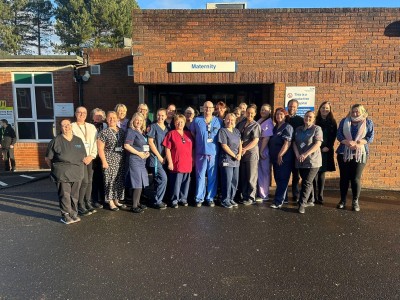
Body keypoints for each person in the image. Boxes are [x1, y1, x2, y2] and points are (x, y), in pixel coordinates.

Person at [45, 119, 86, 224]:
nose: (66, 127)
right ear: (61, 128)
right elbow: (48, 159)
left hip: (77, 173)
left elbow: (83, 156)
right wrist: (56, 169)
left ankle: (73, 213)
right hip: (62, 173)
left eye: (68, 125)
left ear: (71, 126)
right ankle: (66, 215)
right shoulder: (55, 141)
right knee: (65, 195)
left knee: (74, 195)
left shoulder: (78, 140)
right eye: (64, 125)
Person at [336, 104, 374, 211]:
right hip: (344, 152)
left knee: (355, 178)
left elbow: (370, 137)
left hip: (360, 153)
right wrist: (348, 143)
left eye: (357, 111)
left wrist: (358, 143)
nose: (355, 114)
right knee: (344, 178)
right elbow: (339, 135)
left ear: (362, 112)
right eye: (353, 112)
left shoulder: (368, 122)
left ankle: (355, 201)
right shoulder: (344, 121)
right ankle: (342, 200)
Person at [190, 101, 222, 207]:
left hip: (213, 153)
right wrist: (200, 141)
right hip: (200, 153)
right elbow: (192, 133)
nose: (207, 109)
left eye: (210, 107)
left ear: (213, 109)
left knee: (212, 176)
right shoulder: (197, 120)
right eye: (205, 107)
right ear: (203, 108)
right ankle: (199, 198)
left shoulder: (218, 121)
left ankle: (210, 198)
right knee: (200, 176)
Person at [293, 111, 323, 214]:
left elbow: (317, 144)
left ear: (314, 119)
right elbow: (294, 143)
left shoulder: (317, 129)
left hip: (312, 161)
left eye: (310, 117)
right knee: (305, 180)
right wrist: (297, 155)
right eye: (306, 116)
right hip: (300, 160)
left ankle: (302, 204)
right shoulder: (298, 129)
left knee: (306, 182)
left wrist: (305, 154)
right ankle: (311, 199)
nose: (308, 118)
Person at [71, 106, 98, 216]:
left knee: (90, 181)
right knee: (84, 181)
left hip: (90, 158)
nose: (82, 114)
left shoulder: (91, 127)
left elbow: (96, 142)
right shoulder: (72, 126)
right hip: (79, 159)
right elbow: (71, 144)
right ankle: (80, 204)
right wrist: (81, 157)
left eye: (84, 113)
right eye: (79, 112)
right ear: (75, 113)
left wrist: (91, 156)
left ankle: (88, 202)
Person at [97, 111, 126, 211]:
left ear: (118, 119)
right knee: (110, 181)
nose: (112, 119)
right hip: (109, 160)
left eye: (114, 117)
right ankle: (110, 202)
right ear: (107, 119)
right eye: (110, 118)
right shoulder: (103, 133)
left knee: (119, 180)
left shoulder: (121, 131)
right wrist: (104, 162)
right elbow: (100, 149)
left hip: (120, 159)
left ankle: (117, 199)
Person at [163, 114, 194, 208]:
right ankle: (174, 200)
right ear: (174, 123)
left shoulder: (188, 134)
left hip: (187, 163)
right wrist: (170, 162)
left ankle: (183, 199)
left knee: (186, 182)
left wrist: (193, 160)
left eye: (182, 122)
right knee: (176, 183)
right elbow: (167, 149)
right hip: (176, 163)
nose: (180, 123)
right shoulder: (171, 133)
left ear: (184, 123)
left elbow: (192, 148)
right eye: (178, 122)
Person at [124, 112, 150, 213]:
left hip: (142, 160)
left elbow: (143, 145)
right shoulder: (131, 131)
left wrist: (146, 153)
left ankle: (138, 203)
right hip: (134, 160)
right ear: (133, 121)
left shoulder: (141, 132)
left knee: (141, 181)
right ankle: (134, 206)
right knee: (137, 182)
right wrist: (139, 153)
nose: (138, 122)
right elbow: (127, 145)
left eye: (140, 120)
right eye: (136, 120)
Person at [269, 108, 294, 209]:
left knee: (283, 179)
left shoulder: (287, 127)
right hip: (275, 158)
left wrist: (280, 155)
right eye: (277, 114)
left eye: (281, 114)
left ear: (285, 116)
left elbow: (287, 143)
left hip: (284, 158)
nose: (278, 116)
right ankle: (285, 198)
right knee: (278, 178)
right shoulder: (275, 128)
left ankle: (278, 201)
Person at [236, 104, 261, 205]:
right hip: (242, 154)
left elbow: (255, 141)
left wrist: (245, 148)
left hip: (251, 154)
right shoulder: (241, 123)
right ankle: (244, 196)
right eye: (248, 112)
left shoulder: (256, 125)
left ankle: (251, 197)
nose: (249, 114)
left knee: (251, 176)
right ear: (245, 113)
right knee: (244, 176)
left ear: (254, 114)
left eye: (252, 113)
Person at [313, 101, 337, 204]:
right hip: (316, 149)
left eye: (327, 108)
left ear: (330, 110)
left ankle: (320, 195)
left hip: (326, 150)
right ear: (320, 109)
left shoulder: (332, 121)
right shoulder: (315, 120)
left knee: (322, 173)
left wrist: (328, 146)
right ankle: (313, 195)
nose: (325, 110)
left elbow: (333, 136)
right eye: (323, 108)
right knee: (314, 173)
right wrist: (317, 147)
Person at [218, 113, 242, 208]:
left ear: (235, 121)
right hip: (226, 159)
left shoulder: (236, 131)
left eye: (232, 120)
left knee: (234, 181)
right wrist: (234, 155)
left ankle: (231, 198)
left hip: (236, 160)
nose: (230, 121)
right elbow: (224, 145)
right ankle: (225, 199)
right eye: (228, 119)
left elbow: (240, 143)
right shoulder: (222, 131)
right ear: (224, 120)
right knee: (227, 181)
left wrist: (239, 154)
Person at [147, 109, 169, 209]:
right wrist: (159, 157)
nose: (160, 117)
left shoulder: (167, 128)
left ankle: (156, 199)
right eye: (159, 115)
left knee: (158, 180)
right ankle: (157, 201)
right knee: (163, 179)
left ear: (166, 116)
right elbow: (150, 142)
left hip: (164, 158)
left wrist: (165, 157)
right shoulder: (153, 127)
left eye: (162, 115)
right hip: (155, 158)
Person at [286, 99, 304, 203]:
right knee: (285, 173)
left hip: (296, 150)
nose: (292, 108)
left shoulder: (300, 120)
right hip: (286, 150)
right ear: (287, 106)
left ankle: (296, 193)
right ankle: (284, 194)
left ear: (297, 108)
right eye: (290, 106)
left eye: (294, 107)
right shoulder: (284, 118)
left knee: (296, 175)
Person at [257, 104, 274, 202]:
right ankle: (261, 193)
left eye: (265, 110)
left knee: (264, 173)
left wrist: (261, 150)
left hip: (263, 151)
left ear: (270, 112)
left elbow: (266, 138)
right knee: (260, 172)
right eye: (262, 109)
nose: (263, 111)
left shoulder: (268, 122)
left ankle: (264, 195)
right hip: (259, 150)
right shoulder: (260, 120)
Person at [90, 108, 107, 208]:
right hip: (94, 155)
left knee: (103, 177)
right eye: (96, 115)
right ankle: (95, 199)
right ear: (92, 116)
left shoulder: (105, 125)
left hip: (104, 155)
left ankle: (103, 198)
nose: (98, 117)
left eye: (100, 116)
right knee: (95, 178)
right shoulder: (89, 126)